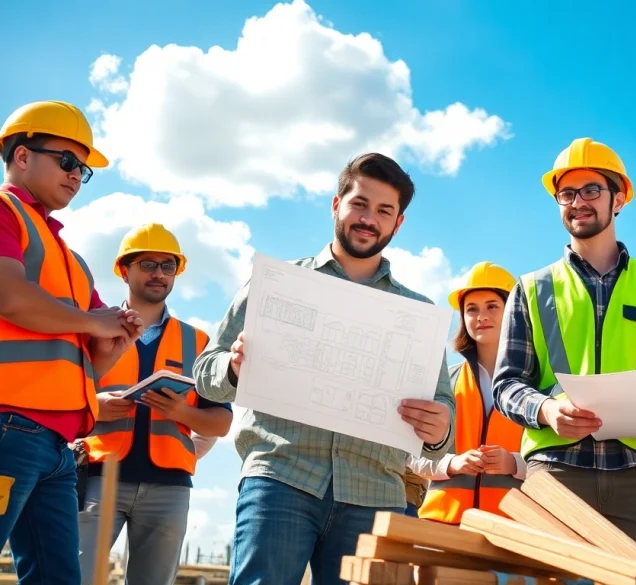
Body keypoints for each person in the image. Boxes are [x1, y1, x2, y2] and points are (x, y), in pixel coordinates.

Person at [194, 152, 456, 585]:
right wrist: (234, 368)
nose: (368, 219)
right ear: (336, 205)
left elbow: (441, 407)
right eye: (359, 204)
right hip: (281, 476)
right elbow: (206, 371)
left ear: (398, 224)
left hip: (376, 492)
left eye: (383, 211)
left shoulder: (417, 314)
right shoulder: (276, 286)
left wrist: (439, 426)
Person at [492, 137, 636, 558]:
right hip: (555, 471)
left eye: (591, 190)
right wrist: (545, 409)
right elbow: (507, 384)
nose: (577, 202)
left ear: (619, 199)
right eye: (566, 194)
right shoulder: (532, 288)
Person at [0, 100, 143, 585]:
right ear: (22, 156)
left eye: (82, 169)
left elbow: (86, 360)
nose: (76, 175)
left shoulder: (73, 261)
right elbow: (9, 295)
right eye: (66, 161)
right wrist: (92, 320)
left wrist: (115, 339)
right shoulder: (5, 214)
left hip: (60, 448)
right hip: (8, 429)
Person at [77, 223, 234, 585]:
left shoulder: (199, 341)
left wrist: (181, 413)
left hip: (170, 487)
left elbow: (220, 424)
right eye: (148, 264)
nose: (159, 274)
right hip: (100, 479)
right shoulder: (94, 329)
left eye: (168, 265)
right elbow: (63, 398)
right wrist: (95, 405)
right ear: (123, 270)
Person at [415, 261, 526, 524]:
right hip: (442, 528)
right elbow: (410, 455)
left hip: (514, 533)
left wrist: (514, 463)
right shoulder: (445, 381)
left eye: (492, 306)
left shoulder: (537, 385)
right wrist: (451, 464)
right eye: (471, 309)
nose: (481, 316)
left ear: (514, 311)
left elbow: (558, 464)